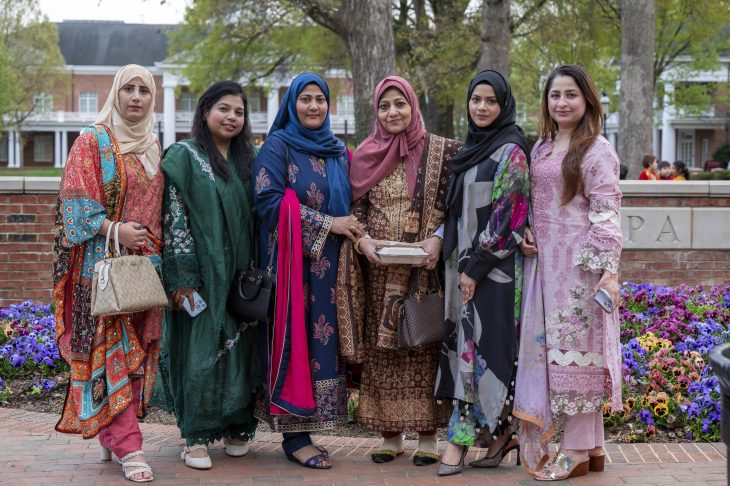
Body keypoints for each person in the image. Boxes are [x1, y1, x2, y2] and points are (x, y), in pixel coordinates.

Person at [337, 76, 460, 466]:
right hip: (379, 273)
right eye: (385, 106)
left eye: (400, 104)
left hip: (425, 270)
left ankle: (427, 437)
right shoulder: (366, 155)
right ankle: (390, 434)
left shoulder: (442, 151)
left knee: (422, 343)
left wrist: (438, 239)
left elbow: (455, 207)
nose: (393, 113)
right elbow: (356, 208)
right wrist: (362, 242)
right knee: (383, 352)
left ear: (413, 106)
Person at [52, 64, 163, 482]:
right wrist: (116, 229)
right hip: (103, 271)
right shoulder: (92, 139)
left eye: (144, 91)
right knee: (112, 353)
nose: (136, 97)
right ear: (115, 94)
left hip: (145, 271)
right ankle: (130, 447)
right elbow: (75, 203)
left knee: (136, 357)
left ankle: (111, 437)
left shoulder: (153, 144)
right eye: (128, 89)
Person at [514, 64, 622, 481]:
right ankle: (592, 447)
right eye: (555, 95)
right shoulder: (541, 147)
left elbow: (607, 215)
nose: (562, 102)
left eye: (570, 94)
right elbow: (538, 203)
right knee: (557, 357)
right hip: (544, 269)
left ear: (587, 100)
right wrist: (526, 231)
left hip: (580, 273)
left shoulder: (597, 150)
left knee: (578, 359)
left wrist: (605, 271)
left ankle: (574, 448)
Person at [253, 72, 363, 469]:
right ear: (292, 104)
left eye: (320, 99)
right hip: (292, 270)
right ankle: (294, 437)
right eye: (306, 99)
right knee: (294, 343)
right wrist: (327, 224)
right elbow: (267, 203)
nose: (314, 106)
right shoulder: (277, 147)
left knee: (323, 349)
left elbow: (354, 203)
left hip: (332, 273)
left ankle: (308, 428)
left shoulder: (339, 151)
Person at [152, 81, 261, 470]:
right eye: (224, 109)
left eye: (239, 112)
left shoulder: (250, 161)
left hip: (242, 279)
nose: (232, 117)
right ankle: (195, 436)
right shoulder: (184, 157)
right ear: (204, 112)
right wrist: (183, 280)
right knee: (199, 349)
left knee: (241, 348)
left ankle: (237, 425)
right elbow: (174, 220)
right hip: (198, 277)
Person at [434, 70, 530, 476]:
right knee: (466, 352)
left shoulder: (512, 150)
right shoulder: (470, 150)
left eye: (491, 101)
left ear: (503, 104)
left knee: (482, 353)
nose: (483, 108)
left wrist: (474, 268)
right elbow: (455, 213)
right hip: (463, 270)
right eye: (477, 100)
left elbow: (510, 215)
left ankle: (459, 440)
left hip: (494, 272)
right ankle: (502, 433)